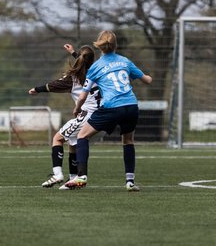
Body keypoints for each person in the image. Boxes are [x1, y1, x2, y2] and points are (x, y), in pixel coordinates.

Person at [64, 30, 152, 192]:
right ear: (115, 45)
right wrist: (146, 76)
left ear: (99, 46)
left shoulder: (96, 67)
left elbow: (82, 96)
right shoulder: (125, 61)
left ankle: (81, 176)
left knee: (82, 136)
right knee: (128, 141)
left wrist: (77, 108)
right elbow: (147, 80)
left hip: (112, 107)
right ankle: (130, 182)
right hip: (131, 106)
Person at [28, 43, 100, 189]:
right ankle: (73, 179)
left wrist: (36, 89)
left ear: (79, 59)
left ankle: (57, 174)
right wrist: (74, 52)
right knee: (72, 143)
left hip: (87, 116)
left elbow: (53, 85)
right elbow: (85, 63)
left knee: (57, 138)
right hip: (102, 117)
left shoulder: (73, 78)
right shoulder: (97, 71)